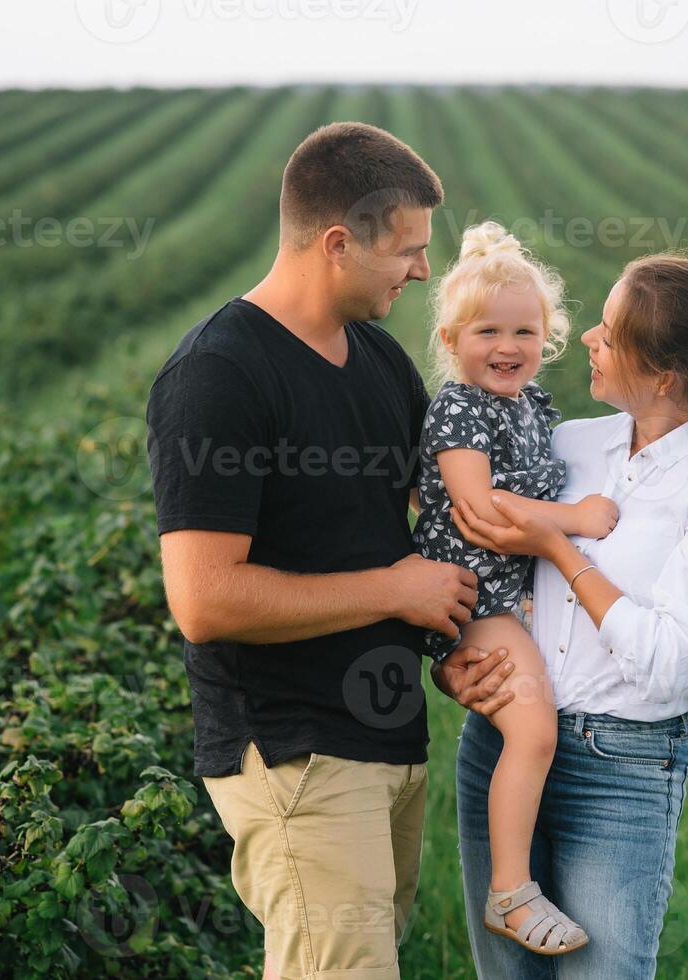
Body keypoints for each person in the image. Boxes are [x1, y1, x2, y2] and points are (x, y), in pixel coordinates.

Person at [144, 121, 512, 980]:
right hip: (293, 749)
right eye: (409, 251)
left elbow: (431, 530)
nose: (423, 271)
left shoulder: (379, 360)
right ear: (339, 243)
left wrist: (452, 639)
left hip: (389, 737)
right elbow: (205, 600)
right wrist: (393, 590)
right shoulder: (218, 376)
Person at [444, 253, 688, 979]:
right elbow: (480, 553)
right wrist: (459, 666)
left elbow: (671, 657)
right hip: (501, 741)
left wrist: (560, 546)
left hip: (617, 770)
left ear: (663, 377)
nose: (586, 337)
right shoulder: (575, 443)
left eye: (610, 334)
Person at [411, 221, 621, 955]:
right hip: (476, 595)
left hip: (516, 592)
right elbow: (479, 509)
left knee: (529, 731)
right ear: (451, 339)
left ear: (548, 337)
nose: (508, 347)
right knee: (534, 728)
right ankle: (511, 893)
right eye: (488, 331)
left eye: (525, 331)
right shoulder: (460, 406)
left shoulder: (532, 406)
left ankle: (526, 876)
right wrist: (577, 521)